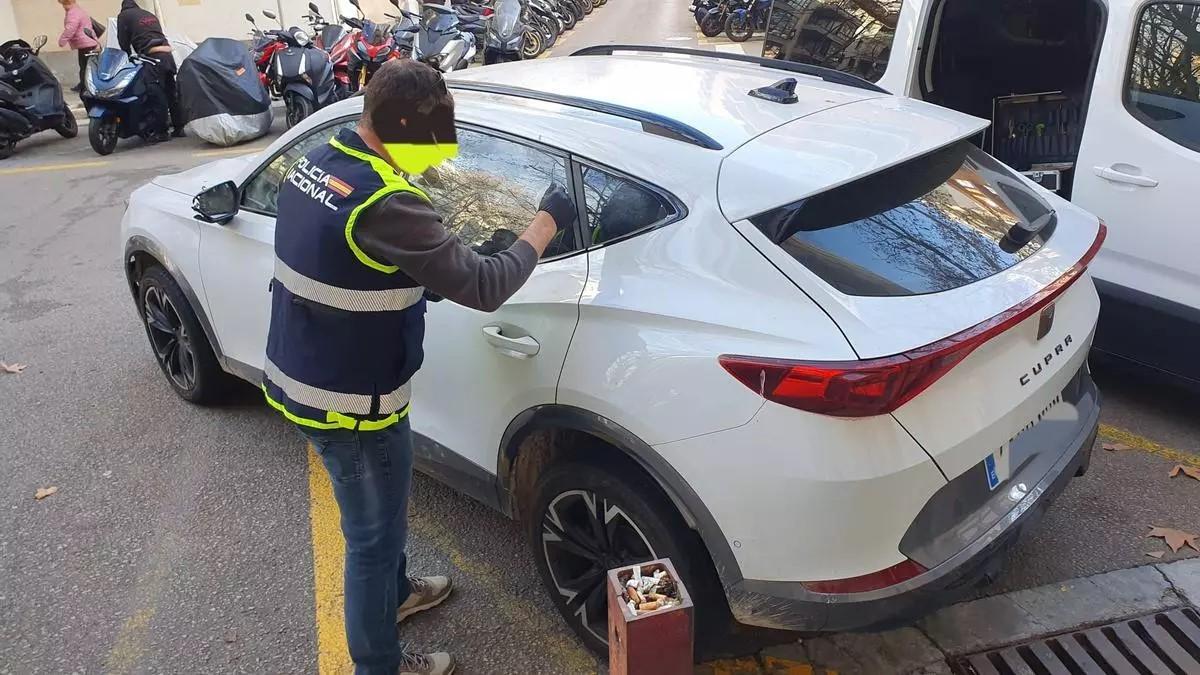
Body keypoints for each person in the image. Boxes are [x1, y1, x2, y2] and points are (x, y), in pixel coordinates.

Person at [262, 59, 576, 675]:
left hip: (311, 369)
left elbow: (348, 259)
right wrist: (545, 223)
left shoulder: (321, 159)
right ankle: (379, 664)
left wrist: (435, 266)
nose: (440, 149)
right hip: (352, 405)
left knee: (384, 514)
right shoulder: (388, 202)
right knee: (372, 540)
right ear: (402, 127)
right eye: (434, 135)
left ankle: (397, 595)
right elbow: (486, 287)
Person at [115, 0, 183, 139]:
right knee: (171, 92)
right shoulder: (147, 13)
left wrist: (126, 56)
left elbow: (123, 40)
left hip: (152, 57)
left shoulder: (124, 16)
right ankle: (179, 128)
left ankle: (162, 132)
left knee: (157, 94)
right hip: (167, 55)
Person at [56, 0, 98, 94]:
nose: (63, 7)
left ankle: (84, 86)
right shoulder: (78, 10)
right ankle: (84, 84)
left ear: (68, 3)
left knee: (84, 67)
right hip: (88, 42)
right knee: (86, 66)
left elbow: (71, 28)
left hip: (85, 44)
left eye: (64, 4)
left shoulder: (73, 13)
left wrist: (62, 41)